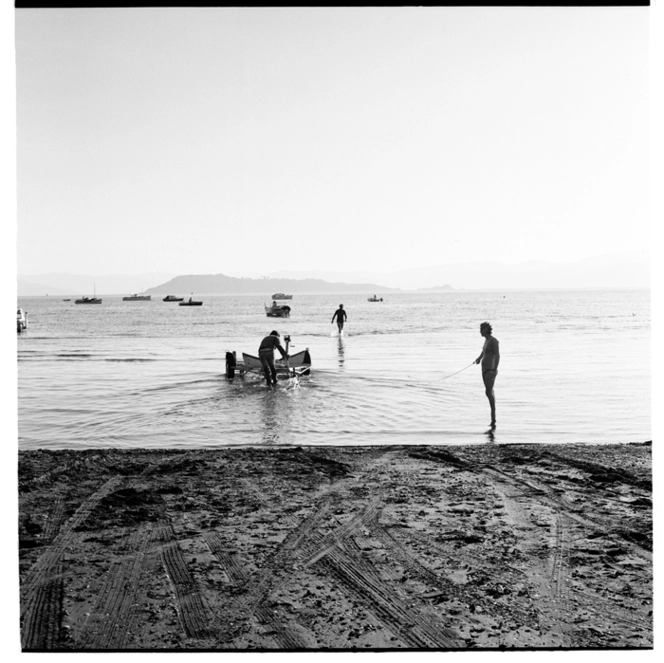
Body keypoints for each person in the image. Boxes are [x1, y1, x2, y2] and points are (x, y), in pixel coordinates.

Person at [474, 321, 500, 428]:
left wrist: (494, 369)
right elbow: (484, 351)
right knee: (489, 391)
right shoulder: (486, 340)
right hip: (484, 369)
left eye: (481, 329)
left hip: (490, 370)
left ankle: (493, 414)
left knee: (488, 392)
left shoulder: (494, 341)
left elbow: (497, 355)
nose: (480, 331)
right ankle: (493, 415)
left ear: (485, 329)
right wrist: (479, 358)